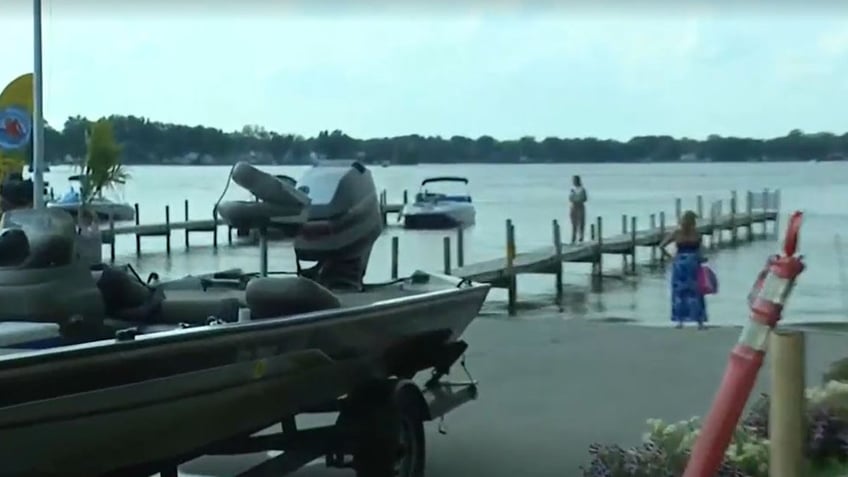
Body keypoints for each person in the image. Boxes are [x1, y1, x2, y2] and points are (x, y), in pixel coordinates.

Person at [659, 210, 707, 329]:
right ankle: (699, 321)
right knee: (696, 293)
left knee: (679, 293)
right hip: (693, 265)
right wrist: (702, 259)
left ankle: (680, 321)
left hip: (680, 264)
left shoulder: (677, 233)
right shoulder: (696, 234)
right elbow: (700, 251)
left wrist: (671, 258)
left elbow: (661, 246)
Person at [569, 175, 587, 243]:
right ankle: (573, 239)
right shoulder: (572, 189)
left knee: (581, 223)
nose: (573, 182)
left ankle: (581, 238)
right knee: (573, 224)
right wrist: (574, 198)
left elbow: (585, 198)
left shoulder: (582, 189)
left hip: (580, 206)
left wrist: (578, 199)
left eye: (574, 180)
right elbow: (570, 198)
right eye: (573, 180)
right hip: (573, 206)